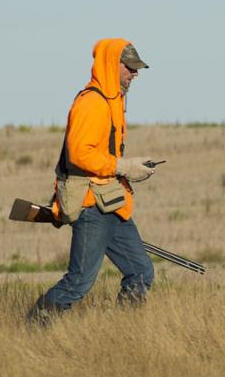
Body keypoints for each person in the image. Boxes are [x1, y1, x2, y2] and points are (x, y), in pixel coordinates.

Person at [27, 38, 158, 324]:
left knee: (141, 272)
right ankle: (32, 329)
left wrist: (130, 168)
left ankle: (122, 332)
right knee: (79, 282)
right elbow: (80, 154)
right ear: (112, 65)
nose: (134, 73)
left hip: (110, 201)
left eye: (137, 69)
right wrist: (123, 166)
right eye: (130, 67)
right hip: (91, 207)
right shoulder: (93, 103)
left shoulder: (114, 101)